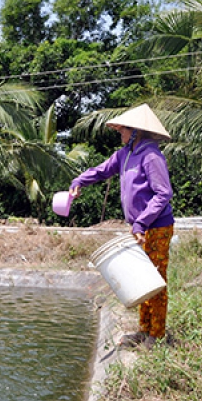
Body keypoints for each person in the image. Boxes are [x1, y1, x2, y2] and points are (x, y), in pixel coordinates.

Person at [69, 104, 174, 350]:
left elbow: (163, 193)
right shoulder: (125, 154)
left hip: (156, 227)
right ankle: (143, 330)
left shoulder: (151, 155)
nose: (120, 134)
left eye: (122, 130)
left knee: (155, 281)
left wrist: (141, 222)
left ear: (136, 131)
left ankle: (156, 336)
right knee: (141, 280)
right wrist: (79, 180)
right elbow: (102, 170)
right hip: (140, 227)